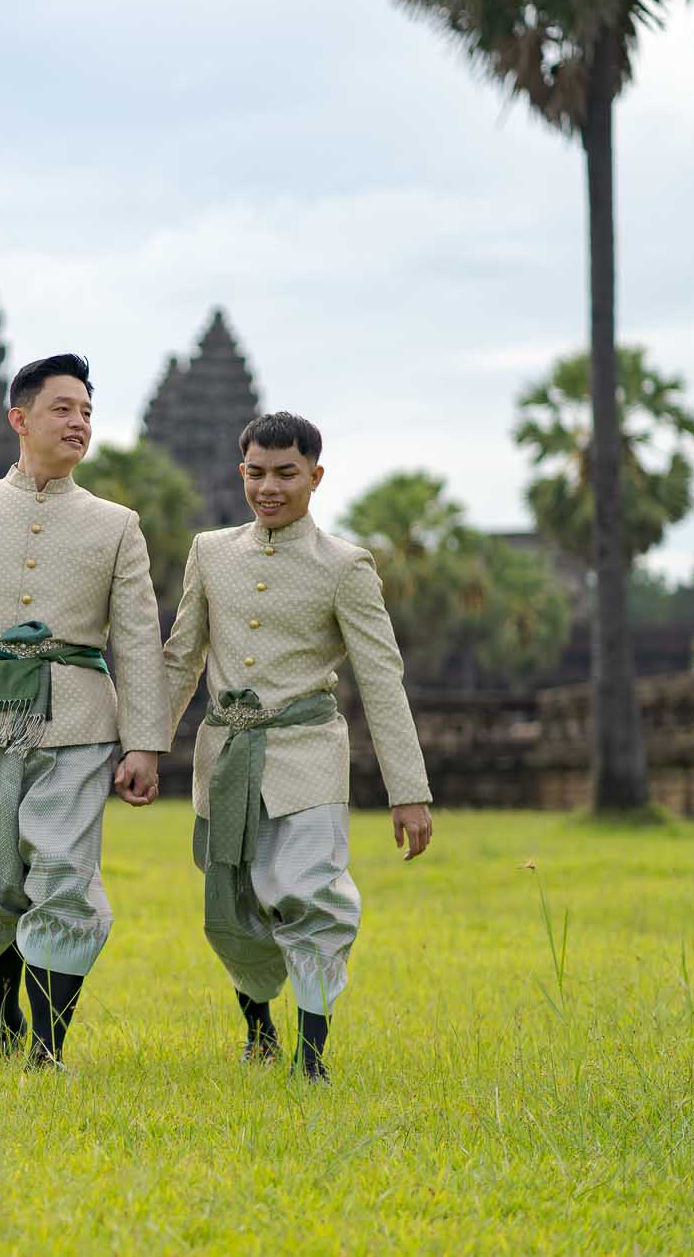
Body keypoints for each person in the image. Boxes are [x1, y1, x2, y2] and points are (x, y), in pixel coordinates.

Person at [0, 353, 167, 1070]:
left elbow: (139, 639)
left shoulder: (117, 526)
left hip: (78, 721)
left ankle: (48, 1047)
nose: (78, 422)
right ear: (20, 419)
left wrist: (145, 742)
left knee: (65, 878)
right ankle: (3, 1018)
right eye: (62, 408)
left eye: (86, 411)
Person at [161, 412, 433, 1082]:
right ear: (241, 472)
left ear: (315, 475)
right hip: (226, 758)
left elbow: (381, 678)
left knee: (313, 897)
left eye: (286, 473)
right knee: (234, 909)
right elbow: (180, 660)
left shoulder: (345, 567)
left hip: (307, 756)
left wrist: (409, 791)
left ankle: (310, 1060)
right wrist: (143, 746)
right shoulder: (210, 552)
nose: (269, 486)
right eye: (256, 472)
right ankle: (259, 1030)